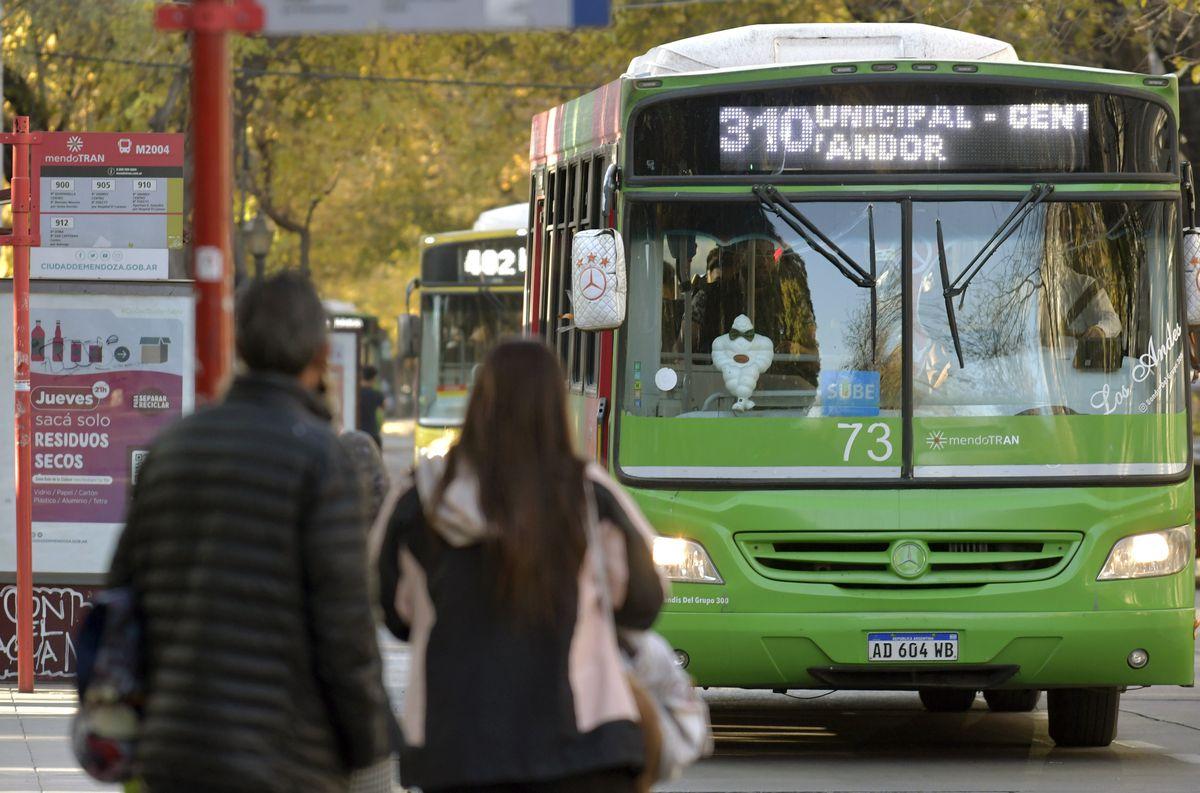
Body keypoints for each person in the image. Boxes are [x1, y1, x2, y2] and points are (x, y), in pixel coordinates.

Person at [107, 272, 391, 792]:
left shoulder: (172, 448)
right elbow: (345, 630)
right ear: (321, 353)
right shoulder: (323, 461)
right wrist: (370, 746)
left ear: (239, 345)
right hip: (286, 757)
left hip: (174, 751)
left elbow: (124, 596)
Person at [374, 339, 666, 793]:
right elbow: (644, 603)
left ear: (479, 402)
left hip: (457, 752)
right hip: (582, 749)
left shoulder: (422, 500)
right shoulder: (588, 496)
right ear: (555, 405)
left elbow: (396, 616)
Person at [357, 365, 387, 448]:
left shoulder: (356, 394)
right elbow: (383, 408)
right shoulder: (377, 395)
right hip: (372, 434)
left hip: (358, 434)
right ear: (374, 378)